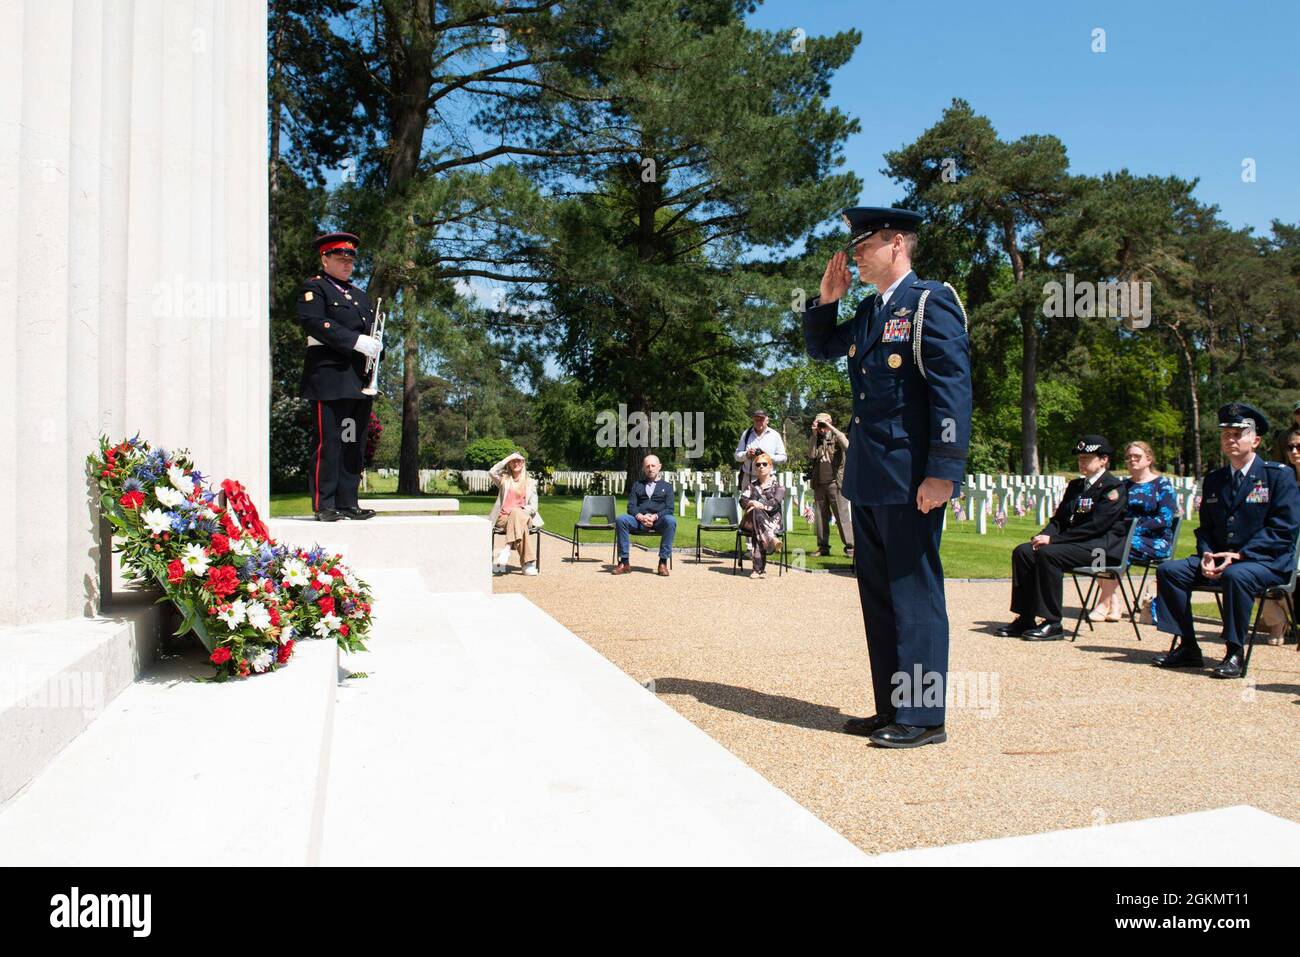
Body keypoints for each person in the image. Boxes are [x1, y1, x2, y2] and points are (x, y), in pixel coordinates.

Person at [804, 206, 972, 749]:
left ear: (897, 242)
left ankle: (924, 717)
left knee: (914, 593)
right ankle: (891, 708)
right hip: (870, 478)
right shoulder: (873, 311)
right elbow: (821, 348)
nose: (855, 252)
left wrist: (944, 471)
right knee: (878, 597)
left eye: (865, 242)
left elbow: (952, 390)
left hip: (911, 480)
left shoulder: (928, 302)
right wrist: (828, 301)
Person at [1153, 403, 1300, 678]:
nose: (1230, 439)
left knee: (1236, 575)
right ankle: (1188, 646)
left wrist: (1240, 555)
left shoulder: (1278, 476)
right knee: (1169, 571)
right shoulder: (1214, 480)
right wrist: (1207, 554)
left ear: (1255, 440)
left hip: (1266, 561)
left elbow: (1284, 529)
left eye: (1238, 433)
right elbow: (1206, 529)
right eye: (1225, 434)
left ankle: (1234, 651)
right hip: (1220, 558)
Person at [996, 435, 1129, 641]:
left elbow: (1096, 526)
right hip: (1076, 546)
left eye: (1087, 457)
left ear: (1104, 460)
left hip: (1100, 551)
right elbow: (1059, 520)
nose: (1082, 462)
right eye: (1080, 458)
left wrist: (1054, 541)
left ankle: (1052, 622)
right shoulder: (1076, 486)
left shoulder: (1113, 488)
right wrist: (1044, 534)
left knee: (1049, 554)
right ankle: (1025, 617)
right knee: (1023, 551)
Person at [297, 231, 381, 522]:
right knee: (328, 442)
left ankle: (348, 501)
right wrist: (355, 341)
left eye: (350, 259)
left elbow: (373, 331)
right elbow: (314, 323)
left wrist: (378, 347)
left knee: (352, 443)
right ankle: (325, 503)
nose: (347, 263)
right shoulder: (315, 288)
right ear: (325, 258)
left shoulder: (359, 296)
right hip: (329, 379)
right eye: (340, 258)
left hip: (358, 381)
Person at [1090, 441, 1178, 620]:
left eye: (1137, 456)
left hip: (1155, 540)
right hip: (1122, 537)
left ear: (1148, 459)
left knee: (1123, 546)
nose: (1132, 460)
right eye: (1129, 457)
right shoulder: (1121, 486)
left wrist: (1132, 530)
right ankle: (1113, 600)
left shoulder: (1162, 484)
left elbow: (1165, 519)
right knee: (1096, 549)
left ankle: (1103, 603)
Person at [1258, 424, 1300, 643]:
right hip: (1282, 542)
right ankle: (1277, 621)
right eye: (1290, 447)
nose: (1294, 452)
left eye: (1299, 447)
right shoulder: (1282, 479)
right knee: (1249, 563)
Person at [613, 455, 676, 577]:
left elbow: (669, 509)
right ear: (643, 468)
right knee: (621, 519)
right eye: (647, 466)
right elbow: (631, 506)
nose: (650, 469)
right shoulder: (637, 485)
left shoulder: (667, 487)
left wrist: (654, 517)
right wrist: (641, 517)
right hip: (638, 520)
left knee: (671, 521)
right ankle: (624, 562)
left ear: (659, 467)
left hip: (658, 521)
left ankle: (663, 562)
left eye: (653, 466)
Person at [488, 451, 543, 575]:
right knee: (518, 522)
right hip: (504, 519)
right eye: (513, 461)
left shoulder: (530, 483)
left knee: (517, 512)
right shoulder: (504, 480)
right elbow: (491, 472)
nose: (516, 463)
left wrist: (521, 510)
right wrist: (508, 457)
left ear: (523, 463)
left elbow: (533, 507)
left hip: (524, 517)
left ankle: (507, 548)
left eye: (519, 460)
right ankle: (527, 564)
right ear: (509, 463)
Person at [807, 413, 853, 556]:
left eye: (824, 423)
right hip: (819, 483)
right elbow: (811, 455)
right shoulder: (817, 439)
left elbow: (847, 446)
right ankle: (823, 547)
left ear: (830, 422)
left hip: (836, 483)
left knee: (842, 516)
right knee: (821, 518)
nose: (822, 427)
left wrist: (830, 428)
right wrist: (814, 435)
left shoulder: (837, 437)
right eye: (819, 423)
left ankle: (851, 547)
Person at [739, 453, 786, 578]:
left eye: (764, 464)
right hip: (752, 522)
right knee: (756, 515)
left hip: (773, 522)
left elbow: (774, 504)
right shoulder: (751, 486)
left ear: (770, 467)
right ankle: (771, 539)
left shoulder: (779, 487)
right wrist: (750, 502)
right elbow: (742, 500)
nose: (761, 467)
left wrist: (758, 505)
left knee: (757, 522)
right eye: (758, 464)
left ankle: (757, 569)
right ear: (755, 468)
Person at [734, 410, 788, 487]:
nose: (759, 422)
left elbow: (783, 458)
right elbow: (737, 456)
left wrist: (767, 457)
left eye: (761, 420)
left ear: (767, 420)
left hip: (768, 479)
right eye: (756, 420)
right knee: (746, 499)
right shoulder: (746, 434)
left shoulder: (775, 435)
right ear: (753, 420)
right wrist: (746, 454)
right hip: (749, 478)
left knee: (769, 499)